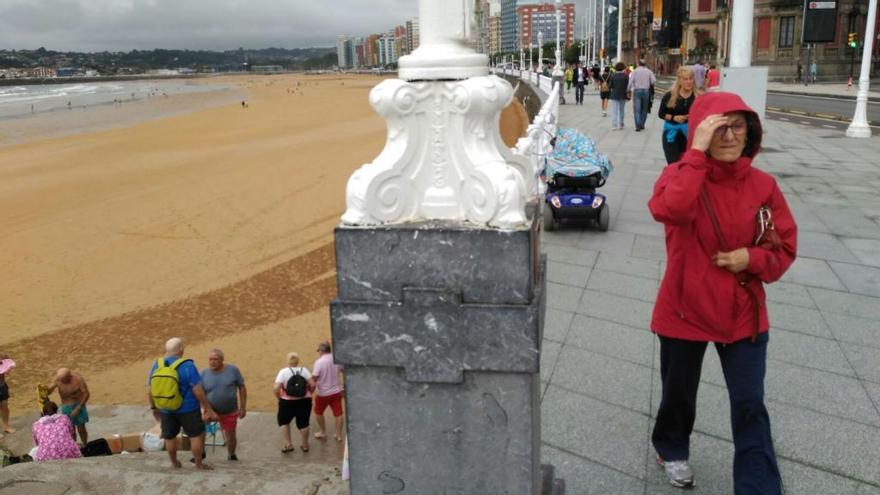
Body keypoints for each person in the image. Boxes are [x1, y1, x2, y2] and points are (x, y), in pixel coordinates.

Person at [647, 92, 797, 491]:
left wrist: (752, 258)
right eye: (718, 126)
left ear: (750, 132)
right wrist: (694, 153)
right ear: (701, 132)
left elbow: (784, 247)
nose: (730, 135)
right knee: (678, 394)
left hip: (743, 311)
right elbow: (671, 210)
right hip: (685, 306)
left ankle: (758, 486)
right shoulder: (680, 175)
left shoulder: (764, 185)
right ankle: (671, 447)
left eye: (738, 125)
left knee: (750, 405)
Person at [148, 337, 216, 470]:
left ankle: (174, 463)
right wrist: (206, 406)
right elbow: (197, 390)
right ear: (180, 350)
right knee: (195, 435)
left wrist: (154, 407)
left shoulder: (157, 364)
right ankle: (198, 464)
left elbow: (150, 390)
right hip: (188, 409)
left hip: (166, 408)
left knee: (170, 436)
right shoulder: (188, 366)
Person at [200, 349, 247, 461]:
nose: (212, 362)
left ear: (222, 360)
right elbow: (200, 393)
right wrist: (206, 409)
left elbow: (242, 387)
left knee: (230, 435)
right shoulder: (203, 373)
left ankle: (231, 454)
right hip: (209, 410)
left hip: (229, 411)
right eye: (210, 359)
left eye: (215, 359)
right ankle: (200, 452)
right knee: (200, 430)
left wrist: (243, 407)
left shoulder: (233, 370)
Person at [274, 352, 316, 454]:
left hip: (287, 401)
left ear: (288, 361)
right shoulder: (304, 370)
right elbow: (313, 385)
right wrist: (309, 392)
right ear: (298, 361)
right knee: (304, 423)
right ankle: (305, 445)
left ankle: (288, 444)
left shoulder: (283, 372)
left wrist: (279, 397)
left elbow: (276, 388)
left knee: (284, 421)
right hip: (304, 401)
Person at [657, 65, 697, 164]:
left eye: (691, 79)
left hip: (691, 136)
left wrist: (692, 117)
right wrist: (674, 118)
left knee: (688, 166)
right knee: (673, 165)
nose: (688, 81)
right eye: (685, 79)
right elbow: (661, 113)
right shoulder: (670, 95)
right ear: (679, 80)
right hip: (671, 135)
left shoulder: (698, 96)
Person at [46, 368, 90, 445]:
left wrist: (78, 408)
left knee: (81, 428)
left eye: (63, 380)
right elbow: (49, 391)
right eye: (60, 379)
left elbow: (86, 394)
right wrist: (47, 389)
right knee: (70, 429)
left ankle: (85, 445)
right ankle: (73, 446)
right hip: (66, 407)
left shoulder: (78, 379)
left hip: (78, 405)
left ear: (69, 377)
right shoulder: (58, 379)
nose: (61, 381)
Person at [312, 342, 344, 442]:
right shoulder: (337, 359)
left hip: (323, 394)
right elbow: (344, 371)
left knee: (318, 412)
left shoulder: (319, 362)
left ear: (321, 351)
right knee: (338, 414)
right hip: (336, 392)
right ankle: (338, 435)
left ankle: (323, 432)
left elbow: (315, 377)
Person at [627, 59, 656, 132]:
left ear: (638, 64)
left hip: (637, 91)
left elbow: (630, 82)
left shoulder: (635, 71)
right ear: (645, 64)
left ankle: (637, 126)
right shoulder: (649, 71)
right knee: (645, 109)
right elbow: (653, 81)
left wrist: (628, 90)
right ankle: (642, 124)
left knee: (637, 109)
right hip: (646, 91)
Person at [608, 62, 630, 130]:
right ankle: (621, 124)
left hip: (614, 94)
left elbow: (610, 86)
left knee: (614, 111)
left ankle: (614, 125)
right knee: (622, 110)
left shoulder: (613, 75)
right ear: (623, 68)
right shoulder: (626, 76)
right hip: (623, 95)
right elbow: (628, 86)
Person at [0, 352, 13, 438]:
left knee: (5, 407)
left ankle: (6, 426)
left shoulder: (1, 356)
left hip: (2, 386)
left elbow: (7, 360)